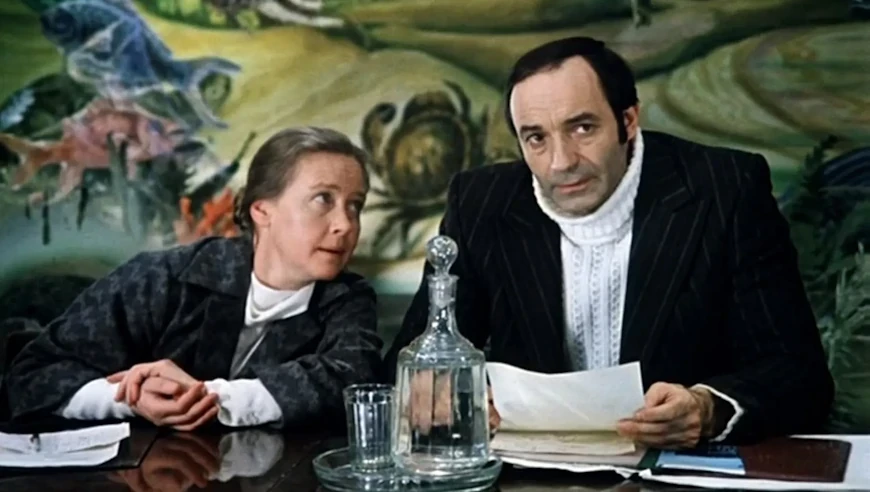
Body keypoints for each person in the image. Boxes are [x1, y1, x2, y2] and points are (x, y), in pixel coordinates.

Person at [385, 37, 834, 449]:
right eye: (536, 138)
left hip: (674, 471)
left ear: (628, 120)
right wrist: (441, 391)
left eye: (582, 128)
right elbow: (409, 367)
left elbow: (798, 375)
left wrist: (708, 408)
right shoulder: (480, 203)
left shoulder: (725, 189)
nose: (561, 162)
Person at [5, 126, 384, 431]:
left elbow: (356, 383)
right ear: (261, 211)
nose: (345, 224)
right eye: (323, 199)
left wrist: (205, 396)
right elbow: (34, 375)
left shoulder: (348, 298)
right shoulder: (162, 277)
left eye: (355, 205)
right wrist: (130, 399)